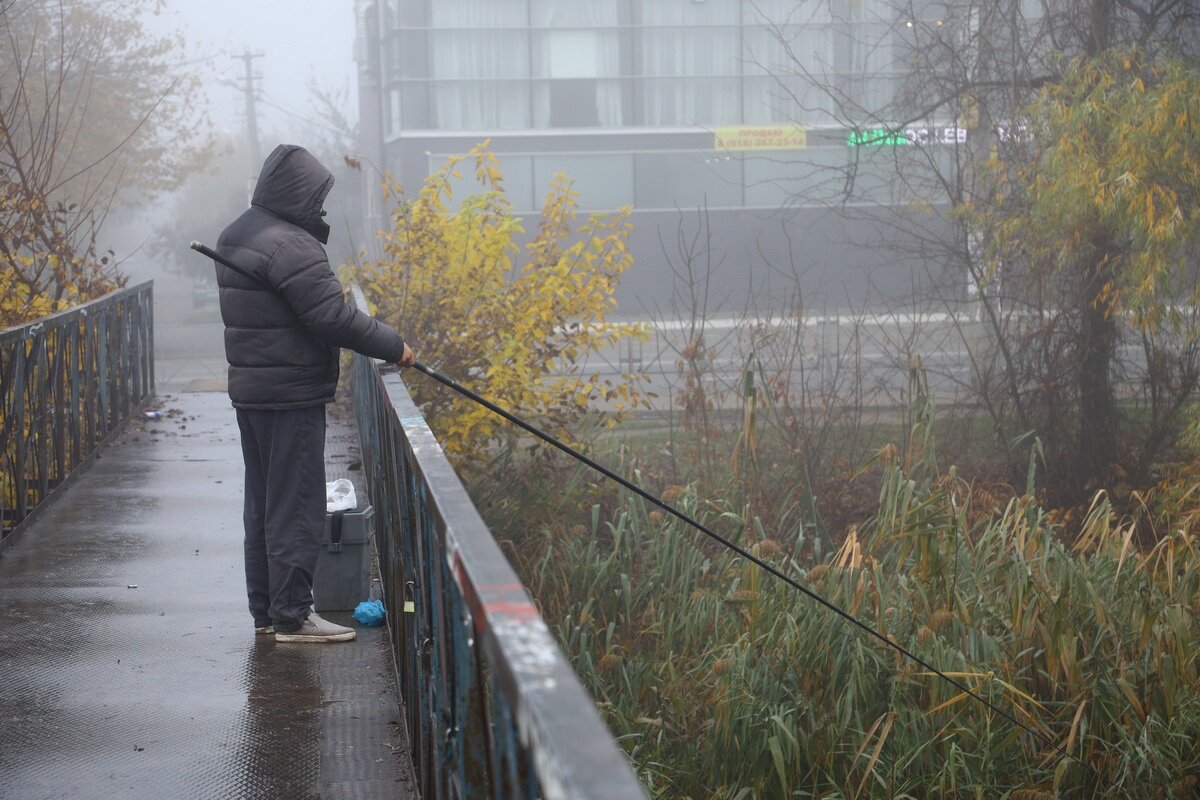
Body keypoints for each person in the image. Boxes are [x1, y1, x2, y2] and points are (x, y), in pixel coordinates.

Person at [215, 144, 414, 643]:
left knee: (262, 505)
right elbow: (332, 318)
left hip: (253, 390)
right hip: (290, 395)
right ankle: (294, 617)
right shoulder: (292, 246)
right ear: (299, 194)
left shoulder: (237, 232)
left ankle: (266, 612)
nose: (320, 210)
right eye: (317, 198)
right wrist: (395, 345)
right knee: (296, 506)